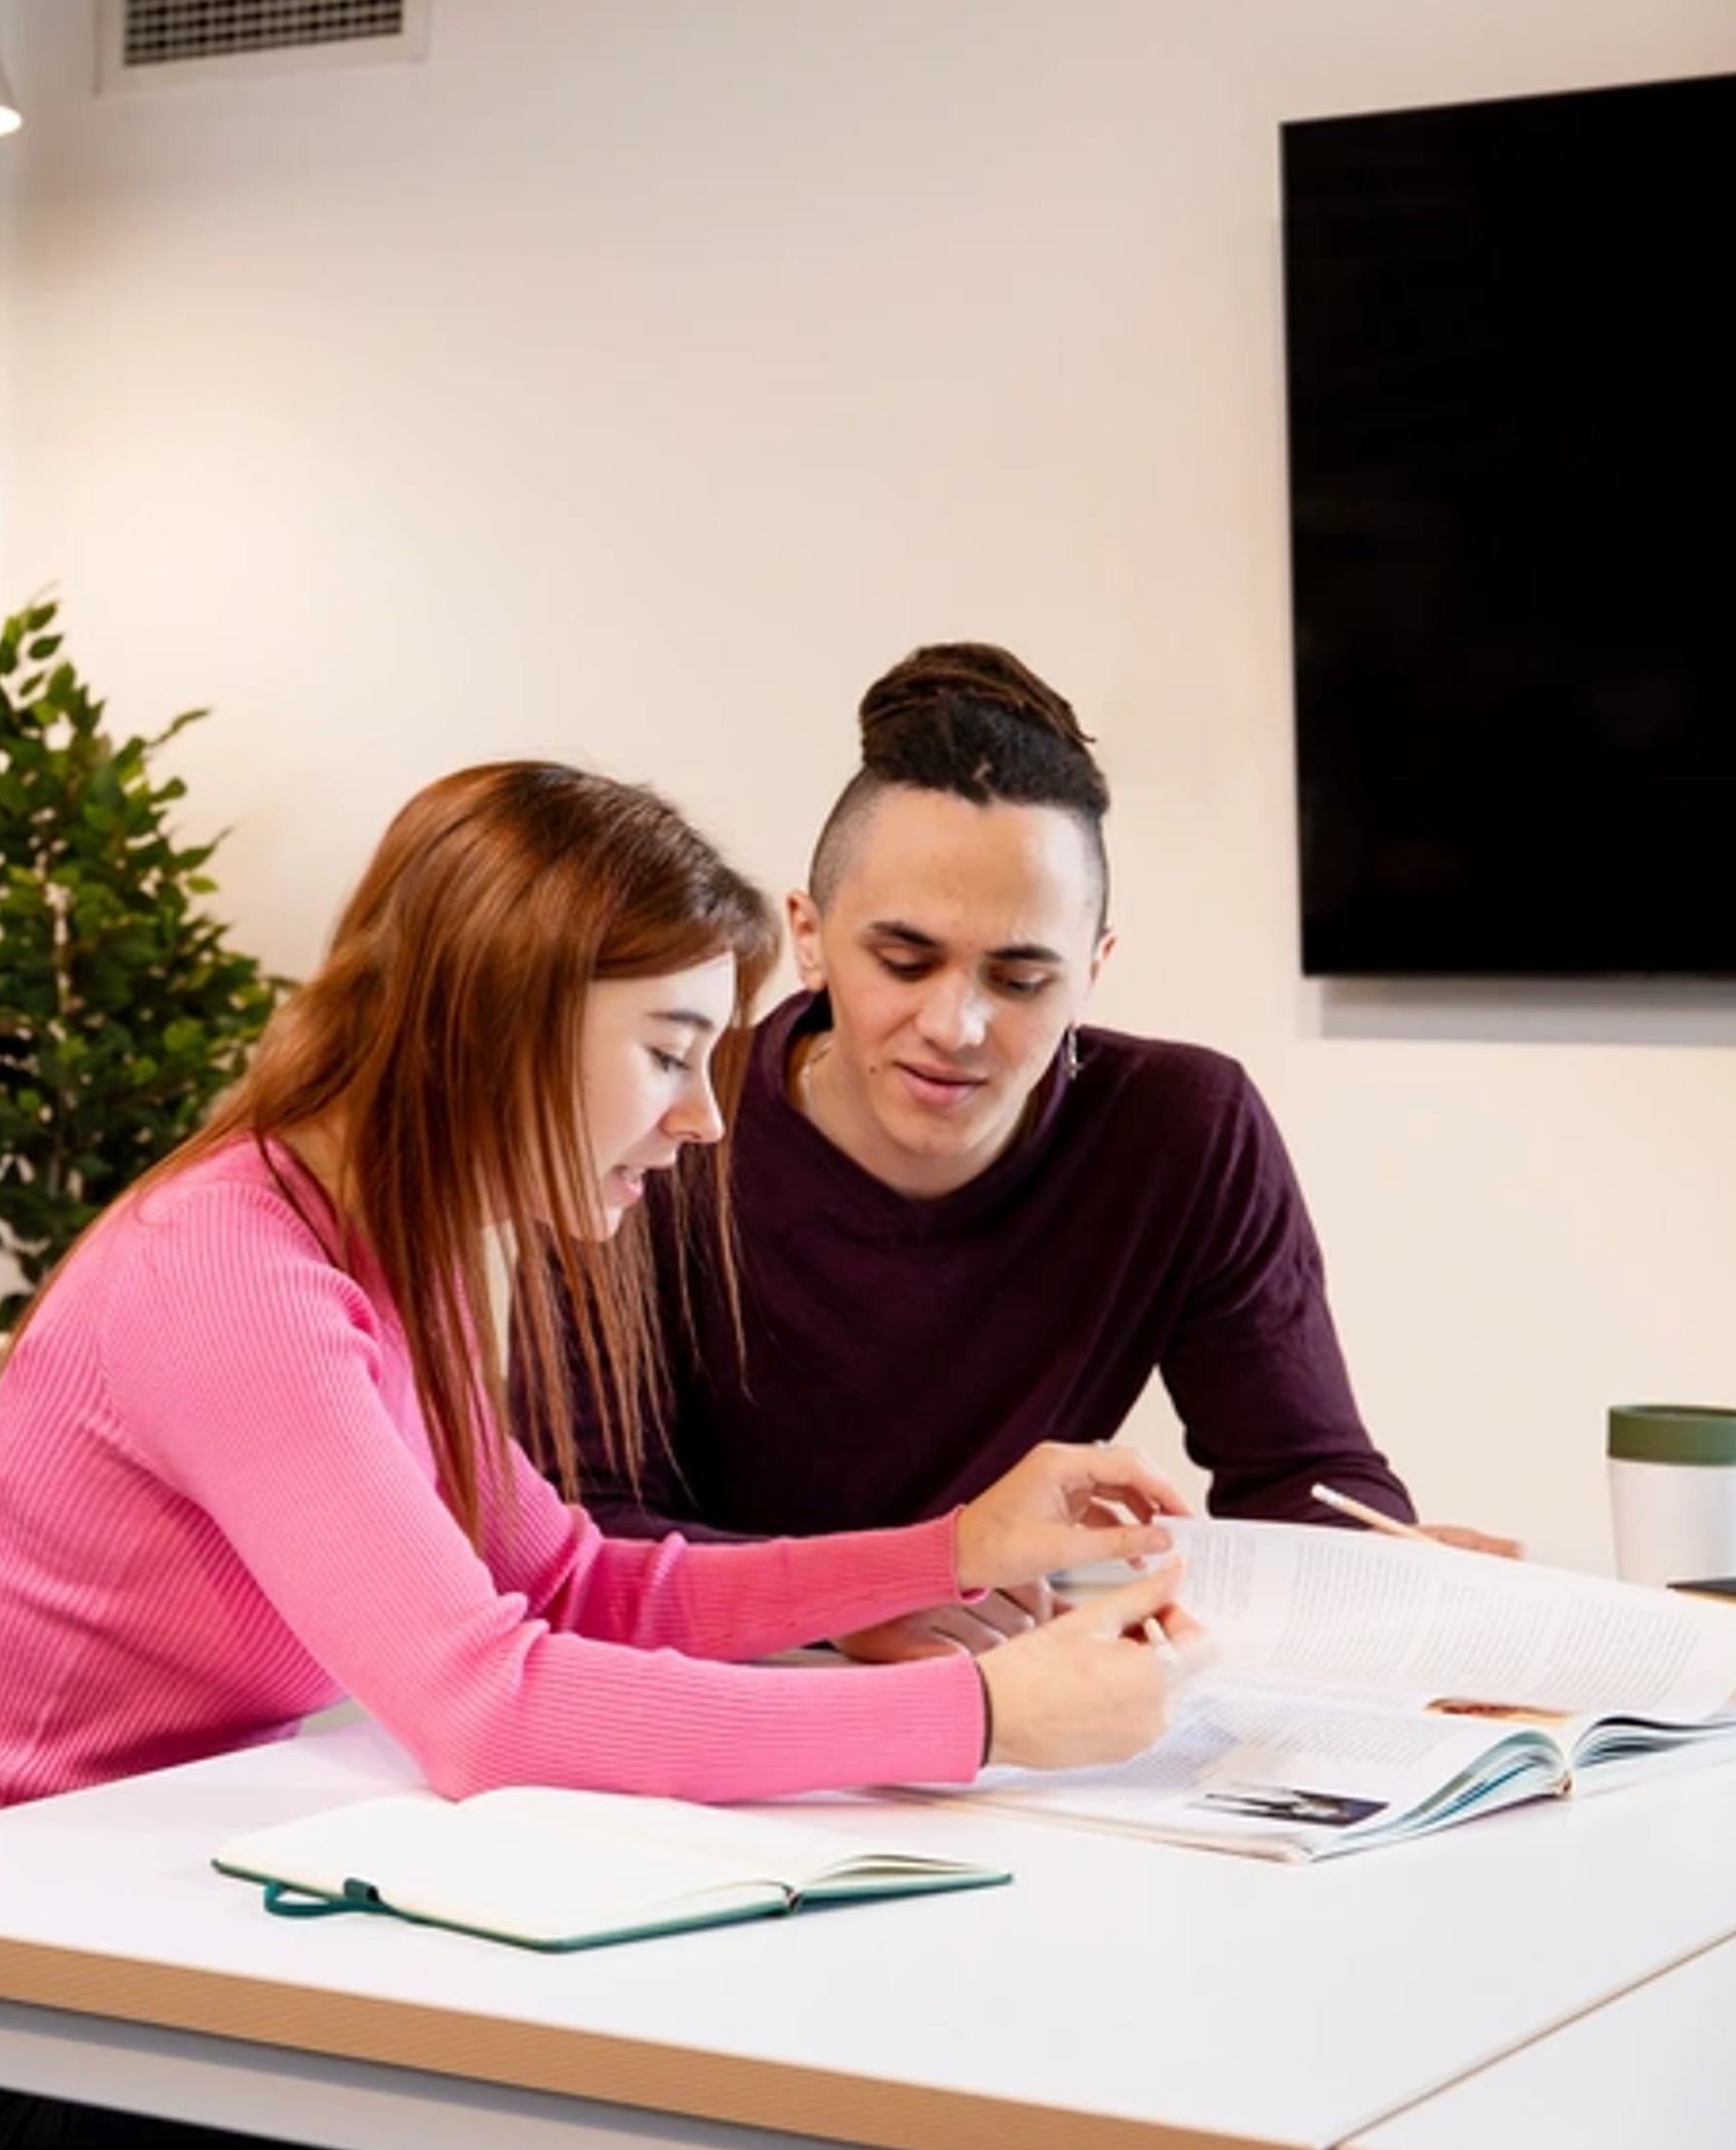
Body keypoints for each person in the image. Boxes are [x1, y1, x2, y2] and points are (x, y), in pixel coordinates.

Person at [0, 761, 1204, 2150]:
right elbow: (489, 1706)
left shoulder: (381, 1246)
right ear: (498, 1023)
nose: (703, 1119)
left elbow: (569, 1582)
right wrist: (976, 1712)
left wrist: (948, 1552)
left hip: (188, 1937)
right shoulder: (233, 1278)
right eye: (669, 1053)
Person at [575, 645, 1510, 1658]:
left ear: (1095, 968)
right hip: (722, 1707)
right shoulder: (659, 1128)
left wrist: (1385, 1571)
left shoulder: (1182, 1128)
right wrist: (858, 1602)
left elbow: (1304, 1477)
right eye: (903, 960)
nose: (956, 1024)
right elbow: (581, 1532)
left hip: (1023, 1723)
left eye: (1021, 979)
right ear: (809, 933)